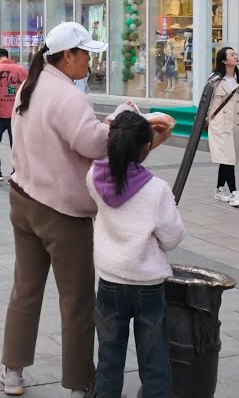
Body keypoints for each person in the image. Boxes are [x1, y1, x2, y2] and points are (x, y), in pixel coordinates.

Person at [0, 22, 172, 397]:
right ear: (68, 56)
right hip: (60, 212)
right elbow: (93, 144)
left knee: (25, 289)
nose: (89, 62)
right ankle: (80, 383)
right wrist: (124, 120)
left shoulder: (32, 86)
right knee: (76, 300)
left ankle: (12, 371)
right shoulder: (67, 95)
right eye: (85, 54)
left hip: (22, 197)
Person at [86, 110, 182, 398]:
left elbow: (111, 162)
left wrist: (145, 138)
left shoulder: (94, 178)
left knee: (109, 359)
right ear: (146, 147)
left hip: (109, 282)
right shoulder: (157, 190)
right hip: (147, 286)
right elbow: (173, 237)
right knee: (154, 361)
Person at [207, 47, 239, 208]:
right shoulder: (215, 80)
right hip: (220, 125)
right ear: (224, 60)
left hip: (235, 125)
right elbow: (206, 103)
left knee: (227, 159)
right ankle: (234, 192)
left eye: (235, 54)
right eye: (232, 55)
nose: (236, 56)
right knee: (228, 159)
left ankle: (219, 189)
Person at [0, 48, 28, 185]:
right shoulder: (21, 70)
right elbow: (26, 91)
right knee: (16, 144)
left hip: (0, 114)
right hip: (16, 114)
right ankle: (17, 172)